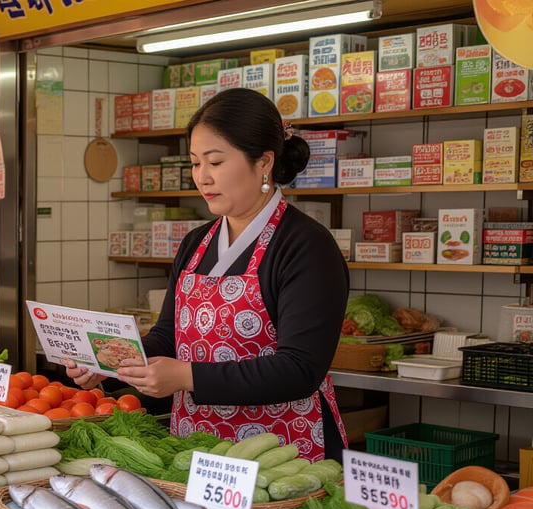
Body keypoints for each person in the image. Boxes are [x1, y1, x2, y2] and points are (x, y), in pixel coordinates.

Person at [67, 88, 349, 462]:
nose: (202, 177)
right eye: (196, 163)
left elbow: (298, 369)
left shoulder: (306, 246)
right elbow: (169, 336)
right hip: (197, 448)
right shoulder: (197, 242)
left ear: (264, 162)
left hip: (285, 453)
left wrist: (187, 378)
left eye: (215, 162)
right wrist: (111, 362)